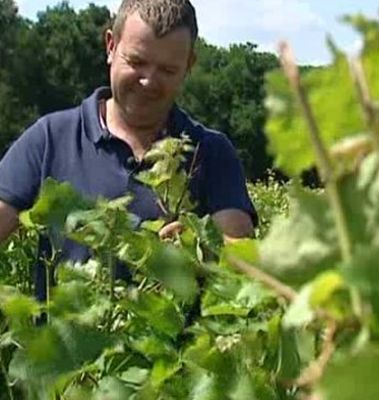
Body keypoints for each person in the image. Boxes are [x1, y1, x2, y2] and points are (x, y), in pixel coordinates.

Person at [0, 0, 257, 301]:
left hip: (171, 344)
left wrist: (198, 248)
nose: (148, 81)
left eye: (167, 70)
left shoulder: (210, 152)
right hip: (68, 343)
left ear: (189, 65)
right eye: (136, 62)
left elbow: (241, 256)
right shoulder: (50, 139)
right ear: (111, 46)